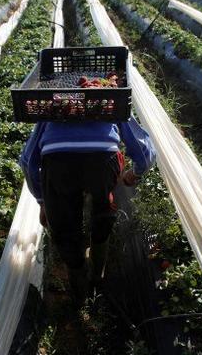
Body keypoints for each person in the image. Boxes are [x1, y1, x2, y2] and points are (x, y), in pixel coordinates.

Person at [19, 117, 156, 302]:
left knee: (65, 229)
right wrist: (135, 172)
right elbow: (144, 151)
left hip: (58, 162)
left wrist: (43, 201)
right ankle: (97, 276)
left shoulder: (52, 103)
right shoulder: (109, 96)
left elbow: (28, 161)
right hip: (103, 160)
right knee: (103, 211)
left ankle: (79, 291)